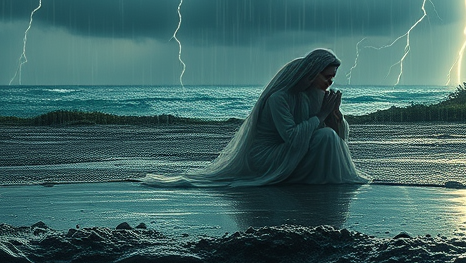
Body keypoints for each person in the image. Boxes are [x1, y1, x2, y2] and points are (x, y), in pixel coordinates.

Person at [144, 48, 368, 186]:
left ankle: (319, 180)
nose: (330, 82)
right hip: (265, 155)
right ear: (312, 73)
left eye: (333, 78)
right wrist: (321, 115)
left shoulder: (317, 95)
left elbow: (339, 137)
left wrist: (334, 115)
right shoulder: (279, 98)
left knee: (328, 136)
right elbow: (291, 137)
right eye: (327, 76)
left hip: (291, 149)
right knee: (325, 137)